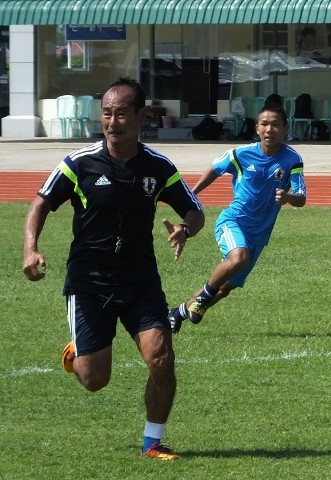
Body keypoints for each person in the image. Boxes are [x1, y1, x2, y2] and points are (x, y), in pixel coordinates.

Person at [22, 77, 205, 459]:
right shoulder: (79, 163)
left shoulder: (158, 165)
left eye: (121, 114)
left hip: (140, 281)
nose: (112, 121)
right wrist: (31, 249)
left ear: (141, 116)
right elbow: (40, 203)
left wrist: (186, 228)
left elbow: (194, 208)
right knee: (94, 380)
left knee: (162, 359)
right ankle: (79, 350)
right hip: (89, 283)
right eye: (106, 113)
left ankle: (152, 443)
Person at [168, 103, 306, 333]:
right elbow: (215, 169)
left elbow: (301, 197)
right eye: (264, 124)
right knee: (238, 257)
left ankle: (178, 312)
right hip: (233, 222)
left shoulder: (292, 159)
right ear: (257, 128)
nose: (269, 129)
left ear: (285, 128)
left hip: (259, 234)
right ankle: (203, 297)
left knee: (225, 288)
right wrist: (190, 197)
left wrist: (289, 198)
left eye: (275, 125)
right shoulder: (241, 154)